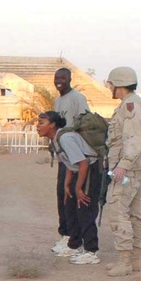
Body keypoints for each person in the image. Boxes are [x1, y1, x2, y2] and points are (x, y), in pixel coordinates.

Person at [104, 66, 141, 276]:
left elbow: (133, 137)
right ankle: (134, 260)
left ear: (119, 84)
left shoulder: (131, 105)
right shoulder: (131, 104)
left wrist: (123, 165)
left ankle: (125, 261)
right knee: (135, 209)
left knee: (117, 207)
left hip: (130, 167)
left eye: (111, 84)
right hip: (137, 165)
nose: (110, 88)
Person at [37, 111, 102, 264]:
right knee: (70, 205)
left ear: (52, 125)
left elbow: (84, 163)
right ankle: (74, 245)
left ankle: (91, 251)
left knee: (84, 207)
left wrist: (78, 188)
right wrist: (67, 185)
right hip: (78, 172)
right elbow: (68, 164)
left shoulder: (65, 138)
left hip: (91, 170)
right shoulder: (55, 140)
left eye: (41, 123)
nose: (37, 126)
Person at [51, 68, 91, 254]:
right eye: (57, 78)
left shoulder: (77, 99)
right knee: (62, 194)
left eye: (63, 78)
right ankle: (65, 235)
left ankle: (76, 239)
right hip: (64, 156)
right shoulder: (58, 101)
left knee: (71, 196)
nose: (59, 81)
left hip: (76, 156)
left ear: (70, 79)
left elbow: (85, 124)